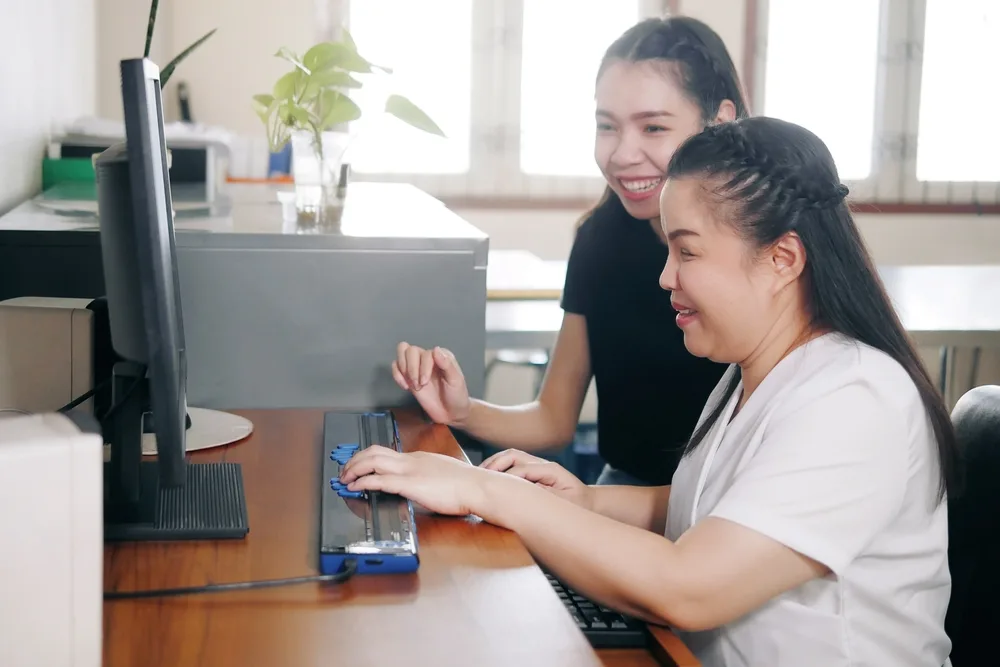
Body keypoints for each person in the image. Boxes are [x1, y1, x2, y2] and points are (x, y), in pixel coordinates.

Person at [341, 116, 959, 666]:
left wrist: (485, 488)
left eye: (686, 252)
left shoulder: (855, 397)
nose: (666, 276)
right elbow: (719, 504)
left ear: (782, 259)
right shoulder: (761, 369)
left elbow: (688, 587)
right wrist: (583, 501)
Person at [391, 16, 751, 487]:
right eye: (608, 126)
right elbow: (553, 419)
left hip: (733, 503)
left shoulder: (763, 248)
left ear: (718, 123)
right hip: (626, 487)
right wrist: (460, 410)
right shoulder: (602, 239)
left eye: (654, 128)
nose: (623, 153)